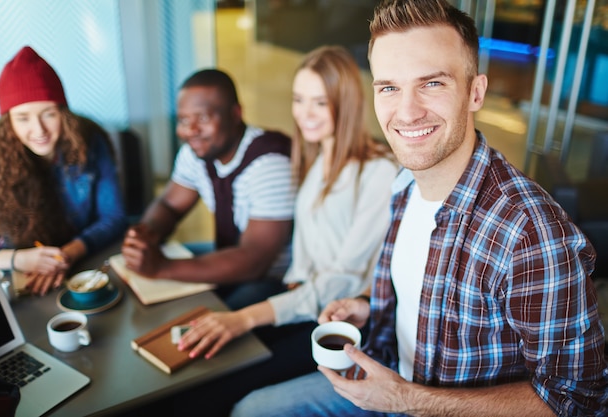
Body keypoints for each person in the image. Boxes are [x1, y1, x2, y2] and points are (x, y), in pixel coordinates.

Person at [231, 1, 608, 416]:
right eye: (389, 87)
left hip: (426, 403)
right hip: (387, 374)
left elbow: (578, 402)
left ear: (475, 92)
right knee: (252, 409)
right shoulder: (405, 182)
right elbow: (424, 297)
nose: (407, 113)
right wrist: (368, 307)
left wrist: (407, 400)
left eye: (432, 83)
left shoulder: (530, 232)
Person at [150, 45, 397, 417]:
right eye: (299, 100)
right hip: (296, 300)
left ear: (346, 103)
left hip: (334, 321)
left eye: (320, 102)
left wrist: (246, 318)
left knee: (217, 386)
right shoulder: (314, 159)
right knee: (198, 353)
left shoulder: (377, 170)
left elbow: (341, 282)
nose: (305, 114)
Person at [121, 69, 296, 309]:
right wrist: (146, 235)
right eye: (183, 120)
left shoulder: (270, 163)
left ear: (236, 114)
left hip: (276, 279)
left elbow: (255, 259)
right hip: (229, 256)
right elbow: (169, 205)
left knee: (200, 321)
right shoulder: (196, 152)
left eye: (202, 118)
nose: (191, 130)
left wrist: (162, 267)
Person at [0, 46, 127, 296]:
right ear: (8, 122)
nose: (39, 130)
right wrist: (18, 259)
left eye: (48, 114)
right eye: (23, 118)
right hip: (20, 283)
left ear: (63, 112)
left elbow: (114, 217)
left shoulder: (90, 143)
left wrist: (66, 255)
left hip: (86, 267)